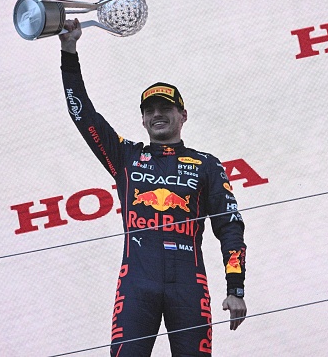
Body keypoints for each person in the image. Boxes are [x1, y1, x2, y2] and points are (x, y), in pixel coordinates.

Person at [59, 18, 247, 357]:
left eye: (166, 108)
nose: (157, 114)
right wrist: (68, 52)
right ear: (143, 120)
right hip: (136, 286)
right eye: (150, 110)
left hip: (190, 286)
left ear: (183, 115)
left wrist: (235, 286)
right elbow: (82, 115)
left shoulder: (206, 163)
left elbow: (230, 226)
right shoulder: (126, 157)